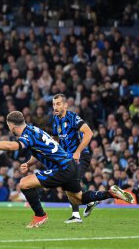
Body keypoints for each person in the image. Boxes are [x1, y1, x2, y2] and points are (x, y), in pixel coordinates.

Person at [0, 111, 134, 228]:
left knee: (24, 183)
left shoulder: (27, 135)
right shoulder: (35, 130)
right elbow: (43, 150)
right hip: (69, 165)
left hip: (61, 168)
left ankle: (40, 215)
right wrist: (29, 164)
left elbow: (12, 146)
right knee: (79, 198)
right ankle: (110, 193)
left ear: (11, 125)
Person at [52, 93, 97, 223]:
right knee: (68, 183)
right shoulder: (55, 119)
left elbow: (89, 133)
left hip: (80, 156)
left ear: (66, 105)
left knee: (70, 181)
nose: (55, 107)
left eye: (58, 104)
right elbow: (55, 137)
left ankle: (77, 214)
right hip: (67, 157)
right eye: (54, 104)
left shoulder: (72, 117)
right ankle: (89, 202)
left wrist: (77, 152)